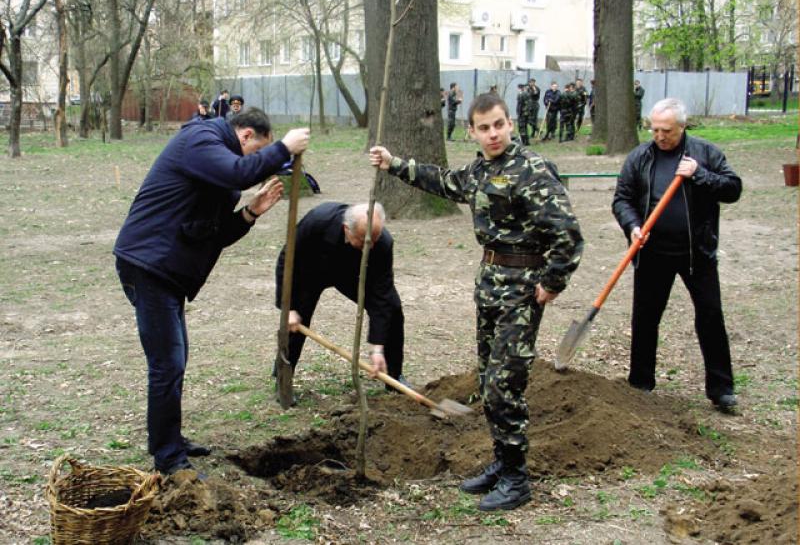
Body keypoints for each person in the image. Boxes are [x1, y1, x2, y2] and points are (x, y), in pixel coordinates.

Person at [369, 93, 583, 512]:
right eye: (484, 128)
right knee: (488, 380)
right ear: (471, 131)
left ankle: (517, 479)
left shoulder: (531, 170)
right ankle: (502, 464)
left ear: (511, 124)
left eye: (499, 125)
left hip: (522, 288)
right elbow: (444, 181)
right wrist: (394, 164)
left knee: (506, 384)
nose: (493, 134)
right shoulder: (481, 170)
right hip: (490, 285)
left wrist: (553, 281)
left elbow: (568, 232)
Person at [114, 107, 310, 475]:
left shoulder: (216, 166)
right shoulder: (199, 139)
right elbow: (239, 170)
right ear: (246, 136)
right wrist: (284, 147)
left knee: (174, 360)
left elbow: (214, 233)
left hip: (166, 271)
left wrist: (251, 212)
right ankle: (169, 459)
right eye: (256, 153)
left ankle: (167, 440)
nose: (254, 164)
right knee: (167, 363)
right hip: (148, 264)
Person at [611, 98, 742, 412]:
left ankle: (721, 389)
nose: (659, 135)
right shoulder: (640, 157)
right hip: (653, 253)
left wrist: (699, 174)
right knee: (645, 319)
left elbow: (733, 189)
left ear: (683, 127)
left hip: (697, 253)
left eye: (666, 130)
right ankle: (640, 384)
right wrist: (632, 226)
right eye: (654, 129)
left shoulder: (705, 154)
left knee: (710, 315)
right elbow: (622, 199)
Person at [274, 202, 411, 397]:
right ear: (347, 229)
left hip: (352, 274)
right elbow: (286, 259)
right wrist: (288, 307)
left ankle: (394, 376)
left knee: (393, 310)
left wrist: (377, 347)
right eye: (364, 241)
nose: (370, 246)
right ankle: (283, 379)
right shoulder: (318, 221)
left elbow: (382, 297)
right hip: (312, 270)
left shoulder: (383, 244)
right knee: (296, 321)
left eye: (375, 239)